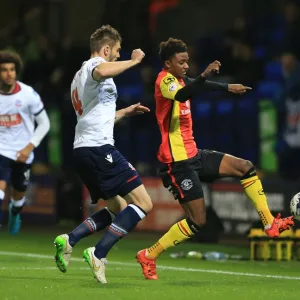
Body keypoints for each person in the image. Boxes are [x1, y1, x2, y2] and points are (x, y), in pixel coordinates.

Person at [136, 38, 295, 280]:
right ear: (168, 63)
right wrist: (204, 75)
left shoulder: (178, 78)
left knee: (245, 167)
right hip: (176, 163)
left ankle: (269, 223)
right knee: (198, 220)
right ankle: (149, 255)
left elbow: (196, 85)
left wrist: (227, 87)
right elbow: (182, 94)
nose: (186, 65)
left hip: (193, 154)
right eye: (181, 62)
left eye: (187, 61)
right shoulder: (164, 81)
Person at [53, 25, 153, 284]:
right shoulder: (93, 66)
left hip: (84, 149)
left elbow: (94, 116)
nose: (118, 56)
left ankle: (70, 239)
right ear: (106, 49)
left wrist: (123, 113)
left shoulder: (78, 77)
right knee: (143, 203)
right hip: (99, 148)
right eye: (117, 51)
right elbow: (101, 69)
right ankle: (99, 253)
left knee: (117, 207)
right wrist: (134, 60)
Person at [0, 50, 50, 234]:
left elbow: (45, 123)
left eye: (12, 69)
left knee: (18, 195)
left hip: (23, 151)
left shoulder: (28, 94)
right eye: (4, 70)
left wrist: (29, 148)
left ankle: (15, 212)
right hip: (1, 151)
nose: (9, 74)